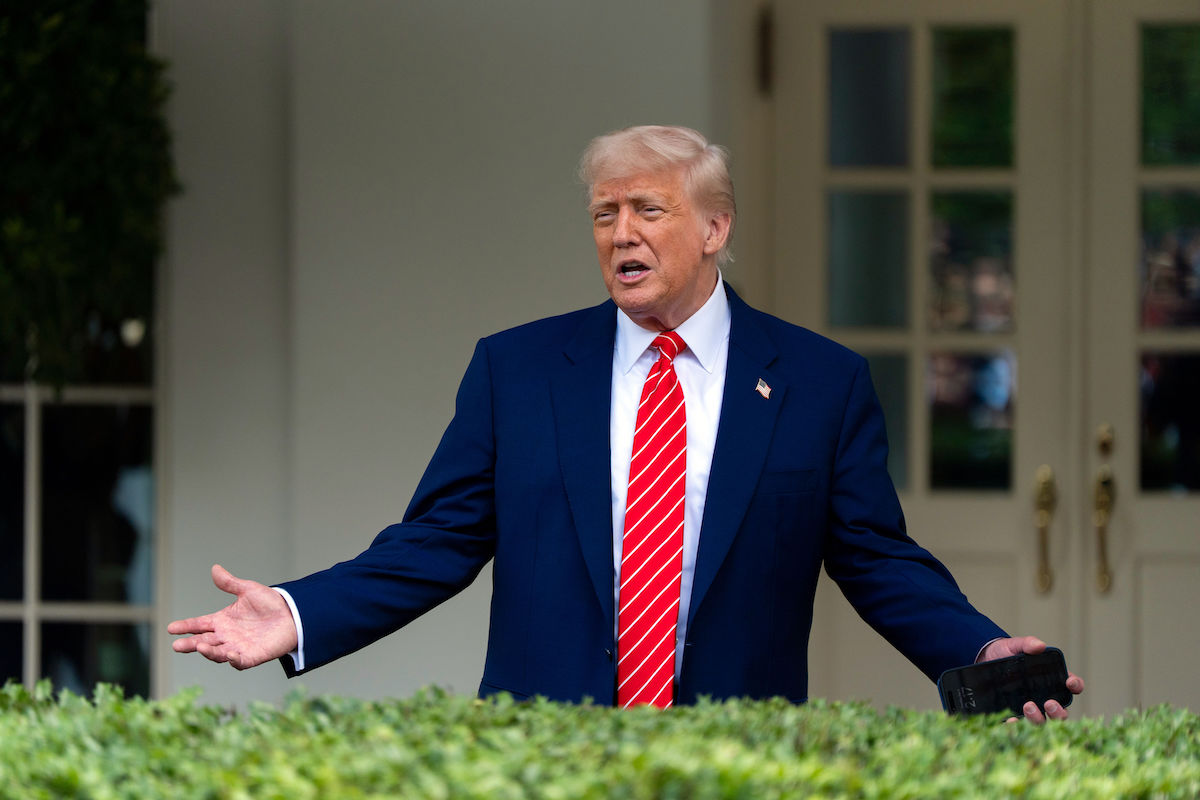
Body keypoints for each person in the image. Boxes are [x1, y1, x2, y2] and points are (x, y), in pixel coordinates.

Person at [170, 125, 1083, 720]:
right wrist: (297, 615)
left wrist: (980, 649)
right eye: (605, 214)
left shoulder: (818, 382)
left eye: (650, 210)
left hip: (737, 760)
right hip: (542, 755)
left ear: (716, 227)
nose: (620, 234)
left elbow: (880, 562)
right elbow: (438, 541)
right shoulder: (517, 369)